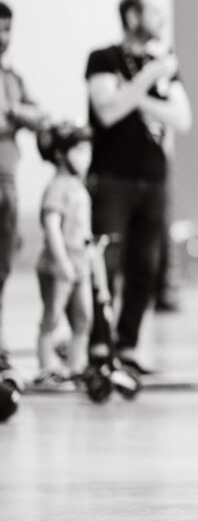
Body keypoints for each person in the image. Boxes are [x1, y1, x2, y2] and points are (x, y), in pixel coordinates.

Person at [86, 0, 192, 376]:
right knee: (105, 266)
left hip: (154, 180)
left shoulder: (164, 66)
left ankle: (127, 347)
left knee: (145, 268)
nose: (161, 19)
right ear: (132, 17)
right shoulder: (104, 59)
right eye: (154, 12)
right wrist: (148, 79)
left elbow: (182, 119)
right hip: (113, 177)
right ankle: (99, 349)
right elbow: (108, 111)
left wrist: (137, 95)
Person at [0, 1, 50, 391]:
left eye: (7, 30)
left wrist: (17, 111)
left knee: (2, 266)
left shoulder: (12, 77)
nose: (4, 38)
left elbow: (36, 115)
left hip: (8, 179)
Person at [32, 123, 93, 390]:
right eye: (79, 150)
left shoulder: (78, 186)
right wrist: (63, 261)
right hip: (58, 268)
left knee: (83, 318)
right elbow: (52, 227)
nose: (86, 157)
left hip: (80, 266)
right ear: (60, 154)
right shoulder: (57, 187)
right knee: (52, 317)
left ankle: (76, 367)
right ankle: (46, 369)